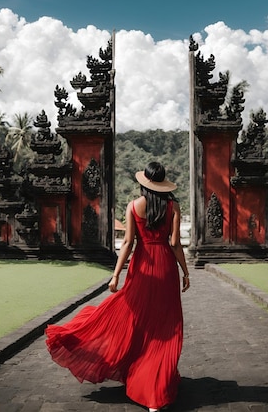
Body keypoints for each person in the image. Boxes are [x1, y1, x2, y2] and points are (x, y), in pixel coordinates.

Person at [45, 161, 190, 411]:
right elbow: (176, 243)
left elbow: (127, 243)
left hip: (142, 266)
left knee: (139, 323)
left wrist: (115, 276)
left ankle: (145, 382)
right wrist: (185, 272)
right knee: (166, 326)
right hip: (166, 267)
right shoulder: (173, 206)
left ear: (144, 182)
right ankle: (156, 387)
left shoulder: (133, 206)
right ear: (163, 183)